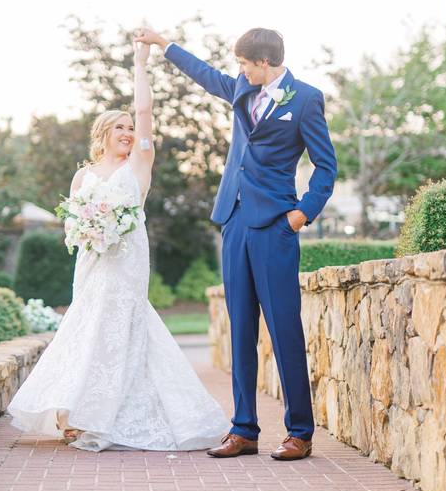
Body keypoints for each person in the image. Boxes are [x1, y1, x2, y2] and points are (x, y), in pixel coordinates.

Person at [6, 40, 228, 452]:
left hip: (127, 262)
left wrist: (140, 63)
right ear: (102, 135)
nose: (128, 133)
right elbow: (72, 227)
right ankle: (71, 412)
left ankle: (103, 415)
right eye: (120, 128)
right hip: (93, 263)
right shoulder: (83, 176)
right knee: (87, 329)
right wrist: (88, 231)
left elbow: (145, 112)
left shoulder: (139, 165)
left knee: (122, 330)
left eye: (130, 127)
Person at [135, 27, 337, 461]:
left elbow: (326, 165)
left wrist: (304, 212)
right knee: (240, 328)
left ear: (264, 62)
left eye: (245, 63)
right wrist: (163, 44)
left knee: (284, 328)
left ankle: (299, 431)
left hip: (277, 225)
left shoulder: (305, 99)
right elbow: (205, 75)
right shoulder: (242, 89)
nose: (240, 70)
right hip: (234, 221)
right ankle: (244, 429)